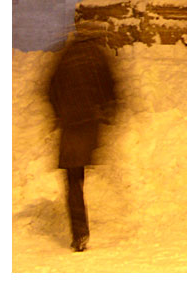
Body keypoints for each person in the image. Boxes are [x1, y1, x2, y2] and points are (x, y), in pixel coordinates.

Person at [47, 23, 117, 252]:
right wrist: (108, 113)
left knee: (74, 181)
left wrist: (59, 113)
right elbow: (111, 87)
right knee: (80, 175)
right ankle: (82, 231)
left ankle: (80, 234)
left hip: (70, 127)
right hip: (89, 125)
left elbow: (49, 88)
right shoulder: (97, 56)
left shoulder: (65, 56)